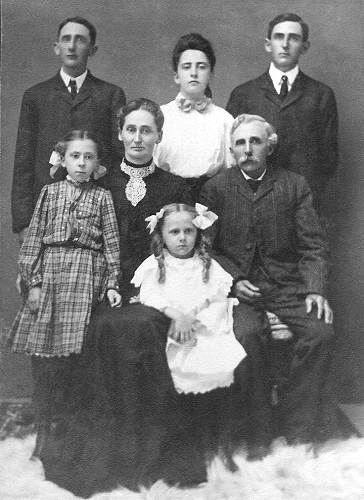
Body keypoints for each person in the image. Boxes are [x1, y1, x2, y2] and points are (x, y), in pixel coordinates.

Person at [200, 113, 339, 445]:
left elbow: (313, 244)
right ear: (232, 150)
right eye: (240, 143)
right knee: (246, 335)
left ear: (269, 146)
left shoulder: (294, 185)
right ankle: (257, 430)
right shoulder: (215, 189)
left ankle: (296, 424)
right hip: (240, 290)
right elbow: (204, 247)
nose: (247, 149)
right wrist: (232, 280)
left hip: (287, 285)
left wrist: (315, 289)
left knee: (320, 333)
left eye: (255, 141)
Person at [6, 130, 121, 459]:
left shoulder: (102, 197)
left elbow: (112, 244)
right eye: (75, 156)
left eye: (89, 157)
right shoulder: (50, 192)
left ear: (97, 163)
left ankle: (76, 438)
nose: (82, 163)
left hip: (85, 277)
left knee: (79, 361)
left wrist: (113, 281)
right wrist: (34, 283)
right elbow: (34, 240)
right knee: (45, 364)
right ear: (63, 160)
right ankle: (47, 431)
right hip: (52, 278)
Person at [11, 16, 126, 242]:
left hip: (95, 212)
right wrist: (24, 223)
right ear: (57, 47)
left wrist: (115, 215)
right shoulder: (36, 96)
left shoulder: (111, 95)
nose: (72, 46)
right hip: (46, 211)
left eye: (80, 40)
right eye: (66, 39)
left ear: (92, 49)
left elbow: (118, 158)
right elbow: (23, 164)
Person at [226, 13, 338, 214]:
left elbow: (329, 158)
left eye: (293, 38)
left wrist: (307, 193)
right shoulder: (244, 94)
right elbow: (231, 153)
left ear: (305, 46)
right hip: (253, 200)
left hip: (303, 203)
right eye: (279, 37)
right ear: (268, 44)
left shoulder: (321, 95)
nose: (285, 44)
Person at [154, 33, 233, 201]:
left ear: (211, 74)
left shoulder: (224, 119)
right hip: (167, 199)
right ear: (176, 75)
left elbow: (231, 170)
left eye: (202, 66)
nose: (194, 73)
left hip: (212, 199)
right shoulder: (159, 116)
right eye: (187, 66)